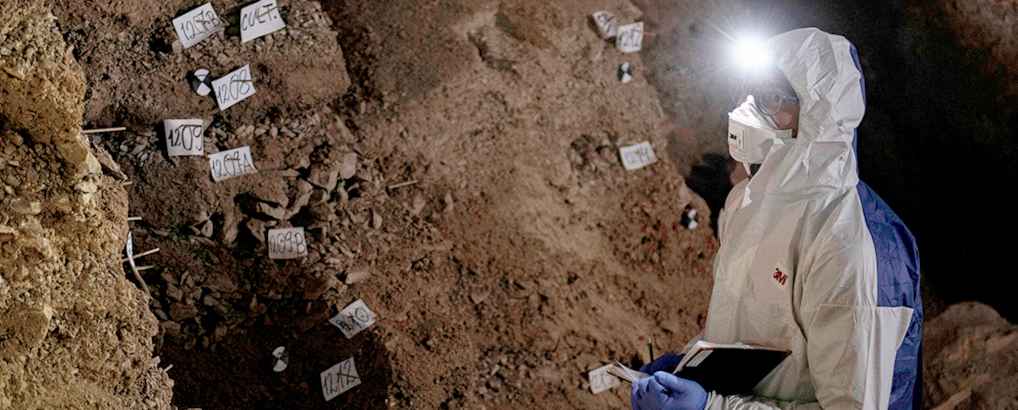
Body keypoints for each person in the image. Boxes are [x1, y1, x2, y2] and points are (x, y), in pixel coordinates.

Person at [631, 28, 923, 410]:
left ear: (821, 113)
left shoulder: (851, 249)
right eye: (744, 90)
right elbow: (748, 326)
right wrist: (691, 369)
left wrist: (712, 407)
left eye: (770, 98)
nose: (743, 110)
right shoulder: (747, 201)